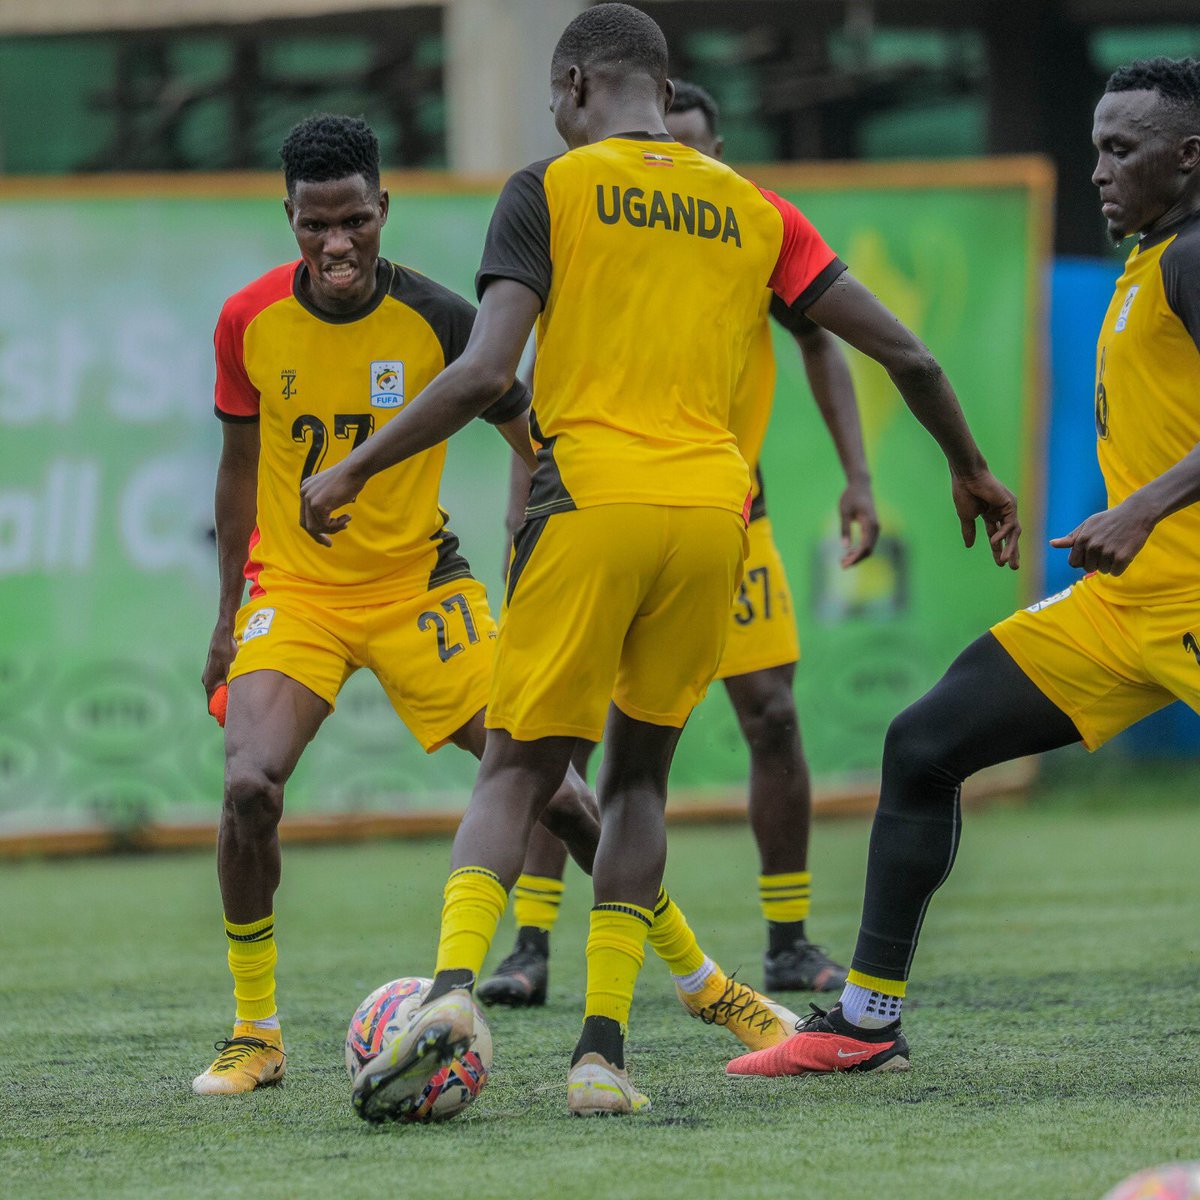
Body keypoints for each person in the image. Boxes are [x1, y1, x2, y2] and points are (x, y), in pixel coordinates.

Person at [299, 3, 1017, 1118]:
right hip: (714, 515)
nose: (555, 113)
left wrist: (351, 469)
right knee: (639, 781)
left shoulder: (549, 186)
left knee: (518, 770)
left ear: (578, 85)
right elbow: (910, 357)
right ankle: (601, 1059)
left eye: (554, 97)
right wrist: (971, 469)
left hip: (590, 500)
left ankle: (448, 993)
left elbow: (487, 373)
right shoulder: (755, 208)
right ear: (663, 88)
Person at [192, 112, 789, 1098]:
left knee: (563, 797)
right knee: (248, 786)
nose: (336, 244)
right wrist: (227, 619)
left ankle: (705, 983)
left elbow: (533, 434)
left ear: (383, 208)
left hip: (422, 589)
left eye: (353, 221)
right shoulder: (246, 320)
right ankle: (257, 1033)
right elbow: (237, 471)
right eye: (314, 224)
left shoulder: (441, 318)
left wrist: (564, 539)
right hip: (294, 593)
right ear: (288, 216)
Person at [727, 56, 1200, 1081]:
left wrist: (1143, 507)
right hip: (1124, 608)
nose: (1100, 171)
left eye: (1123, 150)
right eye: (1096, 150)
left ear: (1189, 157)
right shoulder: (1148, 259)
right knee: (925, 743)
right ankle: (865, 1022)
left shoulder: (1195, 258)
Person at [479, 79, 879, 1010]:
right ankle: (531, 944)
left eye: (695, 148)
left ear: (716, 150)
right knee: (559, 732)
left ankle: (787, 942)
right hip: (596, 505)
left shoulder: (743, 229)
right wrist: (521, 507)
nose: (676, 163)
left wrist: (858, 477)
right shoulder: (598, 224)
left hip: (726, 514)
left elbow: (826, 340)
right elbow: (521, 376)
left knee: (771, 716)